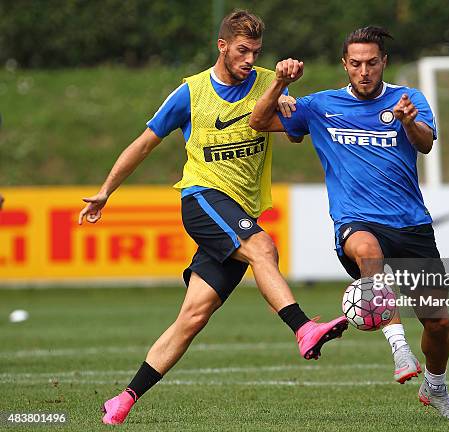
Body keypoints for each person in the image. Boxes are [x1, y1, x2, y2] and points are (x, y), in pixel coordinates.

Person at [79, 10, 348, 425]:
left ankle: (124, 398)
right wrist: (105, 191)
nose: (248, 58)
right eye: (242, 50)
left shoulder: (266, 83)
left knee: (193, 316)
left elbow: (289, 122)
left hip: (237, 212)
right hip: (203, 198)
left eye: (255, 51)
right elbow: (144, 143)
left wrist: (286, 99)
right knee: (263, 248)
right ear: (221, 46)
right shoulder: (191, 92)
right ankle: (302, 327)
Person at [249, 26, 449, 421]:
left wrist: (408, 122)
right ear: (344, 65)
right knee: (368, 251)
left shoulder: (409, 99)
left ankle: (435, 387)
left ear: (383, 62)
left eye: (371, 63)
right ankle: (399, 347)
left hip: (411, 224)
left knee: (437, 322)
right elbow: (258, 122)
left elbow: (425, 143)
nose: (363, 71)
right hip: (357, 220)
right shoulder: (319, 106)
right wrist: (279, 82)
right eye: (355, 64)